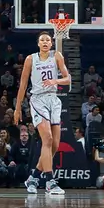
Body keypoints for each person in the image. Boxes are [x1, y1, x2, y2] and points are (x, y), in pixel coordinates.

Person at [13, 32, 70, 196]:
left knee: (54, 145)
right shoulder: (31, 59)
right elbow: (23, 85)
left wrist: (55, 81)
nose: (45, 42)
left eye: (48, 40)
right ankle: (50, 182)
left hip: (54, 99)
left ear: (51, 44)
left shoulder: (57, 56)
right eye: (42, 40)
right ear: (38, 44)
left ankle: (33, 178)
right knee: (48, 139)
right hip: (38, 99)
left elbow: (68, 79)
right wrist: (17, 108)